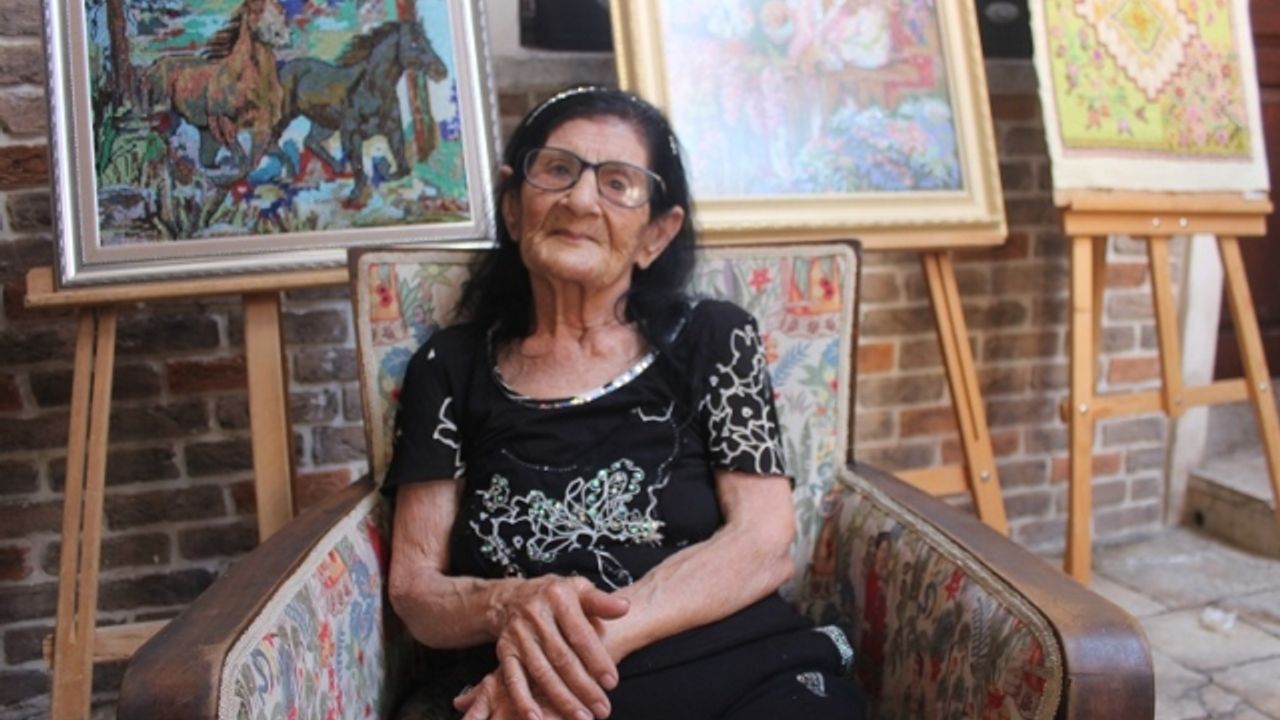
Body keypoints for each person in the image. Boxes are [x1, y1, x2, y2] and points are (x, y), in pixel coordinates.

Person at [385, 86, 865, 720]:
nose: (581, 199)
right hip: (532, 693)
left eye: (617, 183)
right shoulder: (450, 365)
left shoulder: (713, 339)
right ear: (513, 207)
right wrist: (509, 603)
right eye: (557, 170)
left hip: (735, 669)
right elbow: (415, 590)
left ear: (656, 234)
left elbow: (763, 541)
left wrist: (586, 644)